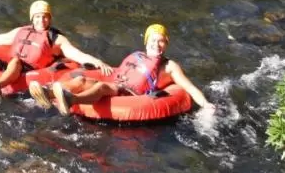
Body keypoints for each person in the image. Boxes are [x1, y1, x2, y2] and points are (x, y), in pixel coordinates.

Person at [37, 23, 215, 114]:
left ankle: (71, 101)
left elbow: (189, 87)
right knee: (81, 80)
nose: (156, 44)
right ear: (147, 42)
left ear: (166, 43)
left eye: (161, 41)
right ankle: (48, 93)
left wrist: (206, 104)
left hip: (131, 94)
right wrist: (104, 69)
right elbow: (118, 73)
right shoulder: (137, 56)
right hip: (117, 85)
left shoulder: (169, 66)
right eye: (153, 40)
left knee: (101, 87)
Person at [0, 0, 113, 94]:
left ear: (50, 19)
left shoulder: (56, 39)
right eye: (38, 17)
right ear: (32, 19)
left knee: (16, 61)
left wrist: (99, 62)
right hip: (11, 63)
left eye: (45, 17)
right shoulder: (21, 31)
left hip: (29, 70)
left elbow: (77, 54)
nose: (42, 21)